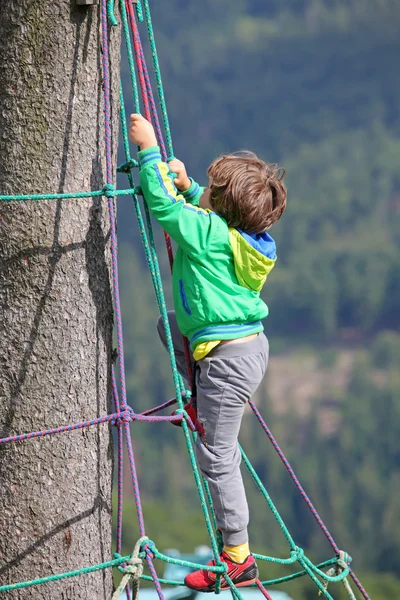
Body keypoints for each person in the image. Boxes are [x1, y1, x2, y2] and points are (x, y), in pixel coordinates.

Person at [129, 113, 287, 592]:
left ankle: (238, 554)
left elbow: (163, 205)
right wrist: (191, 183)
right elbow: (206, 211)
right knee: (168, 327)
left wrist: (150, 152)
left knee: (217, 455)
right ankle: (199, 403)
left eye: (212, 193)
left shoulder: (210, 233)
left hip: (224, 361)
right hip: (243, 348)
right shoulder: (251, 241)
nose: (206, 198)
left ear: (221, 209)